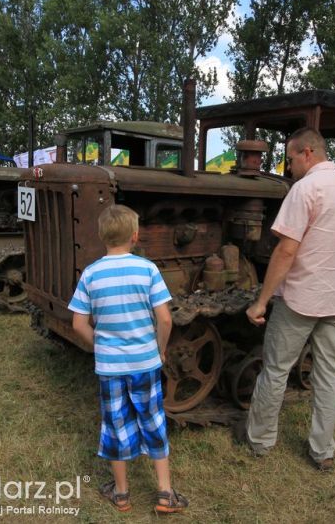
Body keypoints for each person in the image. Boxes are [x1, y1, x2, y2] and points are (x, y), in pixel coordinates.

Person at [239, 127, 335, 472]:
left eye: (290, 159)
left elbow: (286, 250)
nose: (289, 167)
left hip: (299, 300)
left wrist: (261, 301)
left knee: (276, 370)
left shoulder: (305, 189)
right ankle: (322, 451)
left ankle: (260, 440)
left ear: (308, 153)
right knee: (329, 373)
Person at [67, 204, 188, 514]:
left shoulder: (91, 274)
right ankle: (164, 492)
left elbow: (78, 324)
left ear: (100, 236)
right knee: (153, 420)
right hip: (144, 363)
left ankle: (121, 494)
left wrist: (100, 347)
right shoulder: (148, 270)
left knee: (115, 424)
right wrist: (159, 349)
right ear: (135, 236)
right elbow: (165, 319)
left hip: (110, 367)